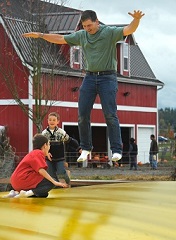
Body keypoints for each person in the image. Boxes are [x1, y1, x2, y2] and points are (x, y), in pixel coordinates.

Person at [22, 9, 145, 163]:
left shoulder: (109, 33)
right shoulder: (82, 35)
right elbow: (61, 38)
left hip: (108, 77)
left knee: (110, 114)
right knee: (82, 114)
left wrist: (136, 20)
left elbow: (129, 29)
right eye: (85, 26)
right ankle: (85, 148)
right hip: (90, 77)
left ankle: (116, 150)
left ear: (97, 22)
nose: (88, 29)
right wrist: (41, 35)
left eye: (89, 25)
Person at [3, 134, 68, 198]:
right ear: (45, 145)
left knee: (43, 194)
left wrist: (46, 154)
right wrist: (54, 182)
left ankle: (16, 193)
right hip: (23, 179)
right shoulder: (38, 153)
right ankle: (27, 193)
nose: (49, 146)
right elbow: (41, 170)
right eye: (49, 144)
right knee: (50, 182)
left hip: (16, 182)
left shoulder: (34, 153)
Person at [42, 112, 81, 185]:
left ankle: (68, 182)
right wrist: (46, 153)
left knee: (61, 172)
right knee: (51, 174)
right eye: (50, 120)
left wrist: (79, 148)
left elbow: (70, 140)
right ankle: (56, 186)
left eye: (54, 120)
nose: (52, 121)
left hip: (59, 157)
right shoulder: (44, 134)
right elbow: (42, 146)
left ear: (58, 122)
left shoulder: (61, 132)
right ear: (47, 121)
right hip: (48, 158)